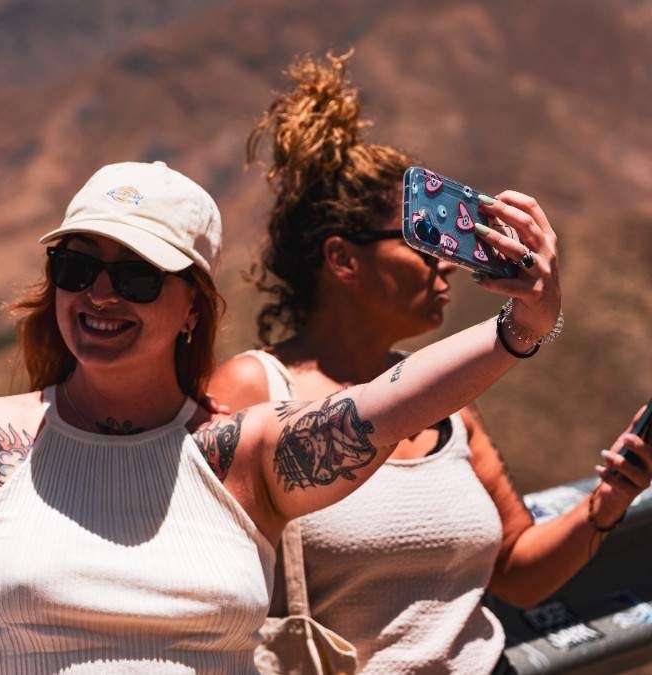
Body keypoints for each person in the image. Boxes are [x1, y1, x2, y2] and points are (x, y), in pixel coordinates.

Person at [0, 156, 565, 673]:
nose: (100, 293)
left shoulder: (242, 453)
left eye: (138, 276)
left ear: (192, 309)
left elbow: (386, 405)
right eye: (77, 265)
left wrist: (523, 325)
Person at [206, 53, 651, 674]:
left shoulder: (448, 401)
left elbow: (517, 570)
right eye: (423, 240)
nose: (447, 262)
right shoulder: (254, 387)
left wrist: (610, 498)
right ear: (343, 261)